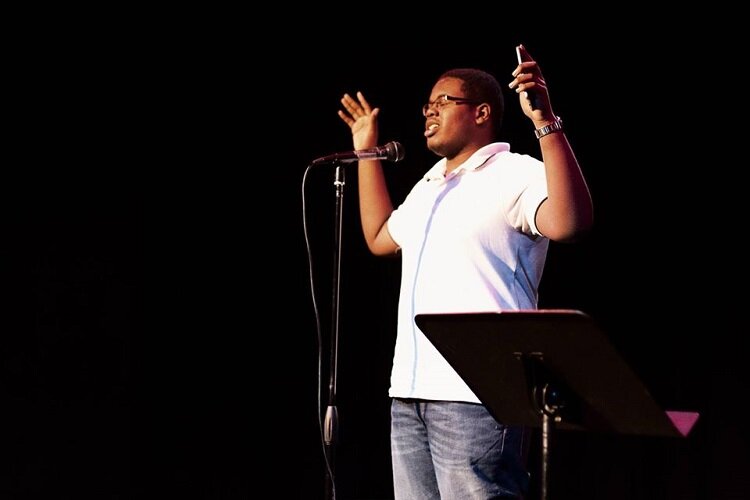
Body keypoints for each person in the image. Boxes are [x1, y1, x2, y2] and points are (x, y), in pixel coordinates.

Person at [336, 44, 593, 499]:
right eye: (427, 105)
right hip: (410, 391)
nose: (429, 111)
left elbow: (570, 222)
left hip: (477, 394)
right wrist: (368, 153)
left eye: (442, 102)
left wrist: (544, 123)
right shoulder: (431, 183)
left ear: (481, 113)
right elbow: (379, 237)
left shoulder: (515, 172)